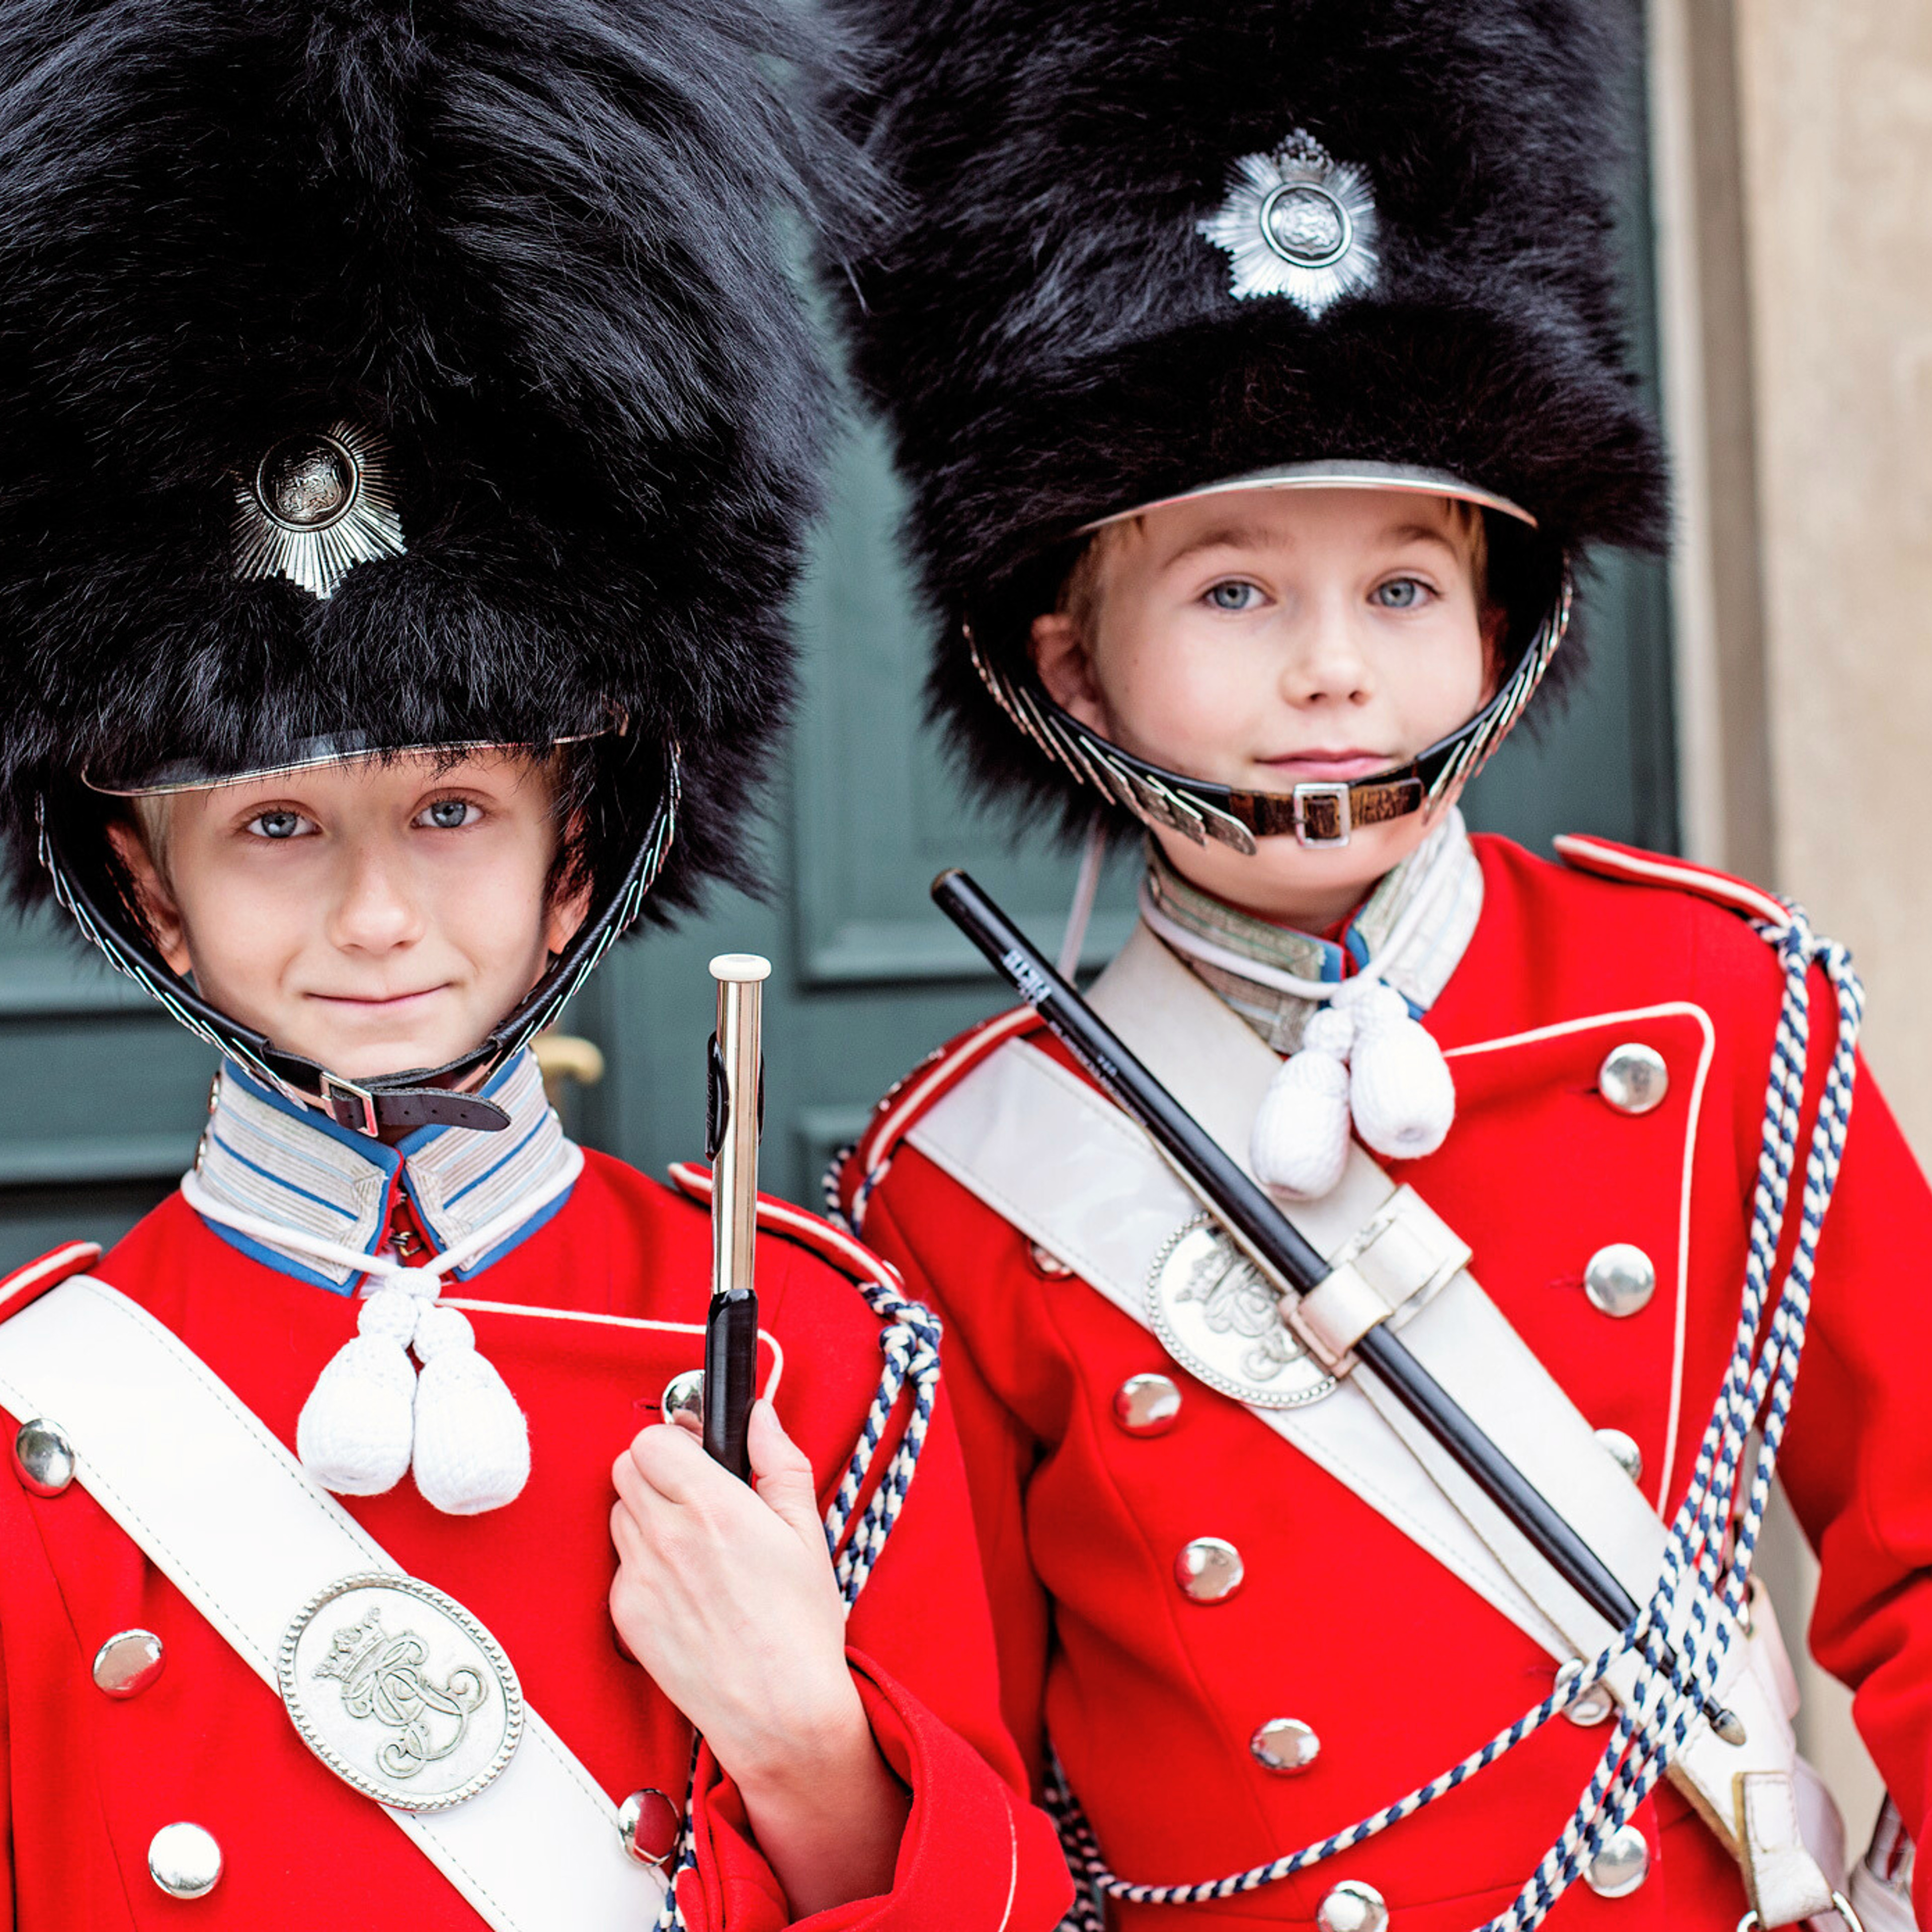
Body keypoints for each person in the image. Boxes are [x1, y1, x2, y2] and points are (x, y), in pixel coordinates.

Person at [830, 2, 1932, 1927]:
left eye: (1403, 588)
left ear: (1503, 625)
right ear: (1070, 660)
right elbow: (976, 1770)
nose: (1332, 667)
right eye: (1236, 586)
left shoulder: (1723, 1001)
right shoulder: (951, 1184)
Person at [0, 5, 1070, 1928]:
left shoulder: (835, 1350)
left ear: (577, 844)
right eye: (270, 827)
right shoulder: (33, 1410)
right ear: (144, 889)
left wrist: (808, 1742)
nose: (377, 917)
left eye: (450, 813)